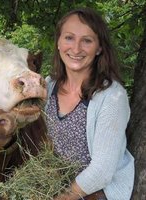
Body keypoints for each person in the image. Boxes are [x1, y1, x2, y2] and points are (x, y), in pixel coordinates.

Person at [44, 7, 134, 200]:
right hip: (50, 185)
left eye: (87, 40)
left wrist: (63, 197)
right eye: (69, 38)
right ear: (58, 42)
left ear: (99, 47)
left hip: (91, 193)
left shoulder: (111, 97)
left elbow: (102, 170)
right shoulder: (48, 86)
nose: (76, 49)